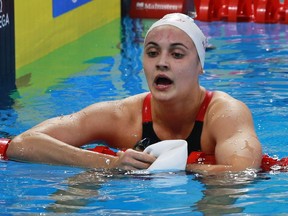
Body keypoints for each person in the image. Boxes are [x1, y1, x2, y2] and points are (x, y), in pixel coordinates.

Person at [4, 13, 263, 174]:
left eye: (177, 54)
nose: (161, 62)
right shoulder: (121, 116)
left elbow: (240, 172)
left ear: (200, 66)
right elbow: (23, 144)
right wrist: (107, 164)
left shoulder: (225, 113)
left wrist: (170, 167)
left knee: (218, 196)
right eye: (152, 53)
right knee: (85, 180)